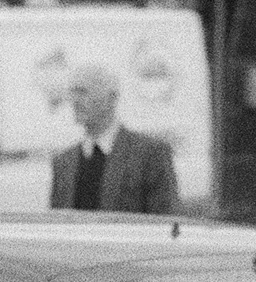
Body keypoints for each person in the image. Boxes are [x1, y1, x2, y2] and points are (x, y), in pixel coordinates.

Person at [48, 62, 179, 214]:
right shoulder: (63, 163)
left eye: (83, 92)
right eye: (73, 93)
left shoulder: (149, 155)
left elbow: (166, 223)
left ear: (111, 98)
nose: (75, 101)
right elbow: (57, 227)